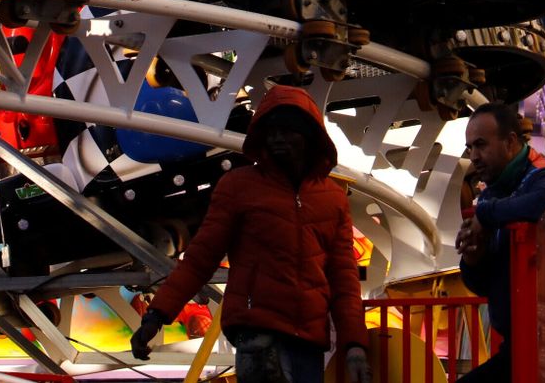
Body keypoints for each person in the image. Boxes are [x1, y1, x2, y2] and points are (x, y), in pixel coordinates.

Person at [130, 85, 371, 383]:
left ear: (309, 136)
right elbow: (200, 259)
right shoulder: (238, 187)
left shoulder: (332, 199)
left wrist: (354, 344)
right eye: (271, 132)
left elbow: (343, 278)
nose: (278, 139)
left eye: (287, 131)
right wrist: (157, 315)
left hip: (307, 338)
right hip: (259, 333)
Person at [454, 102, 545, 381]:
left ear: (511, 142)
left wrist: (486, 215)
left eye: (481, 145)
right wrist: (473, 259)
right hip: (520, 345)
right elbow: (483, 285)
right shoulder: (494, 193)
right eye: (470, 148)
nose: (475, 156)